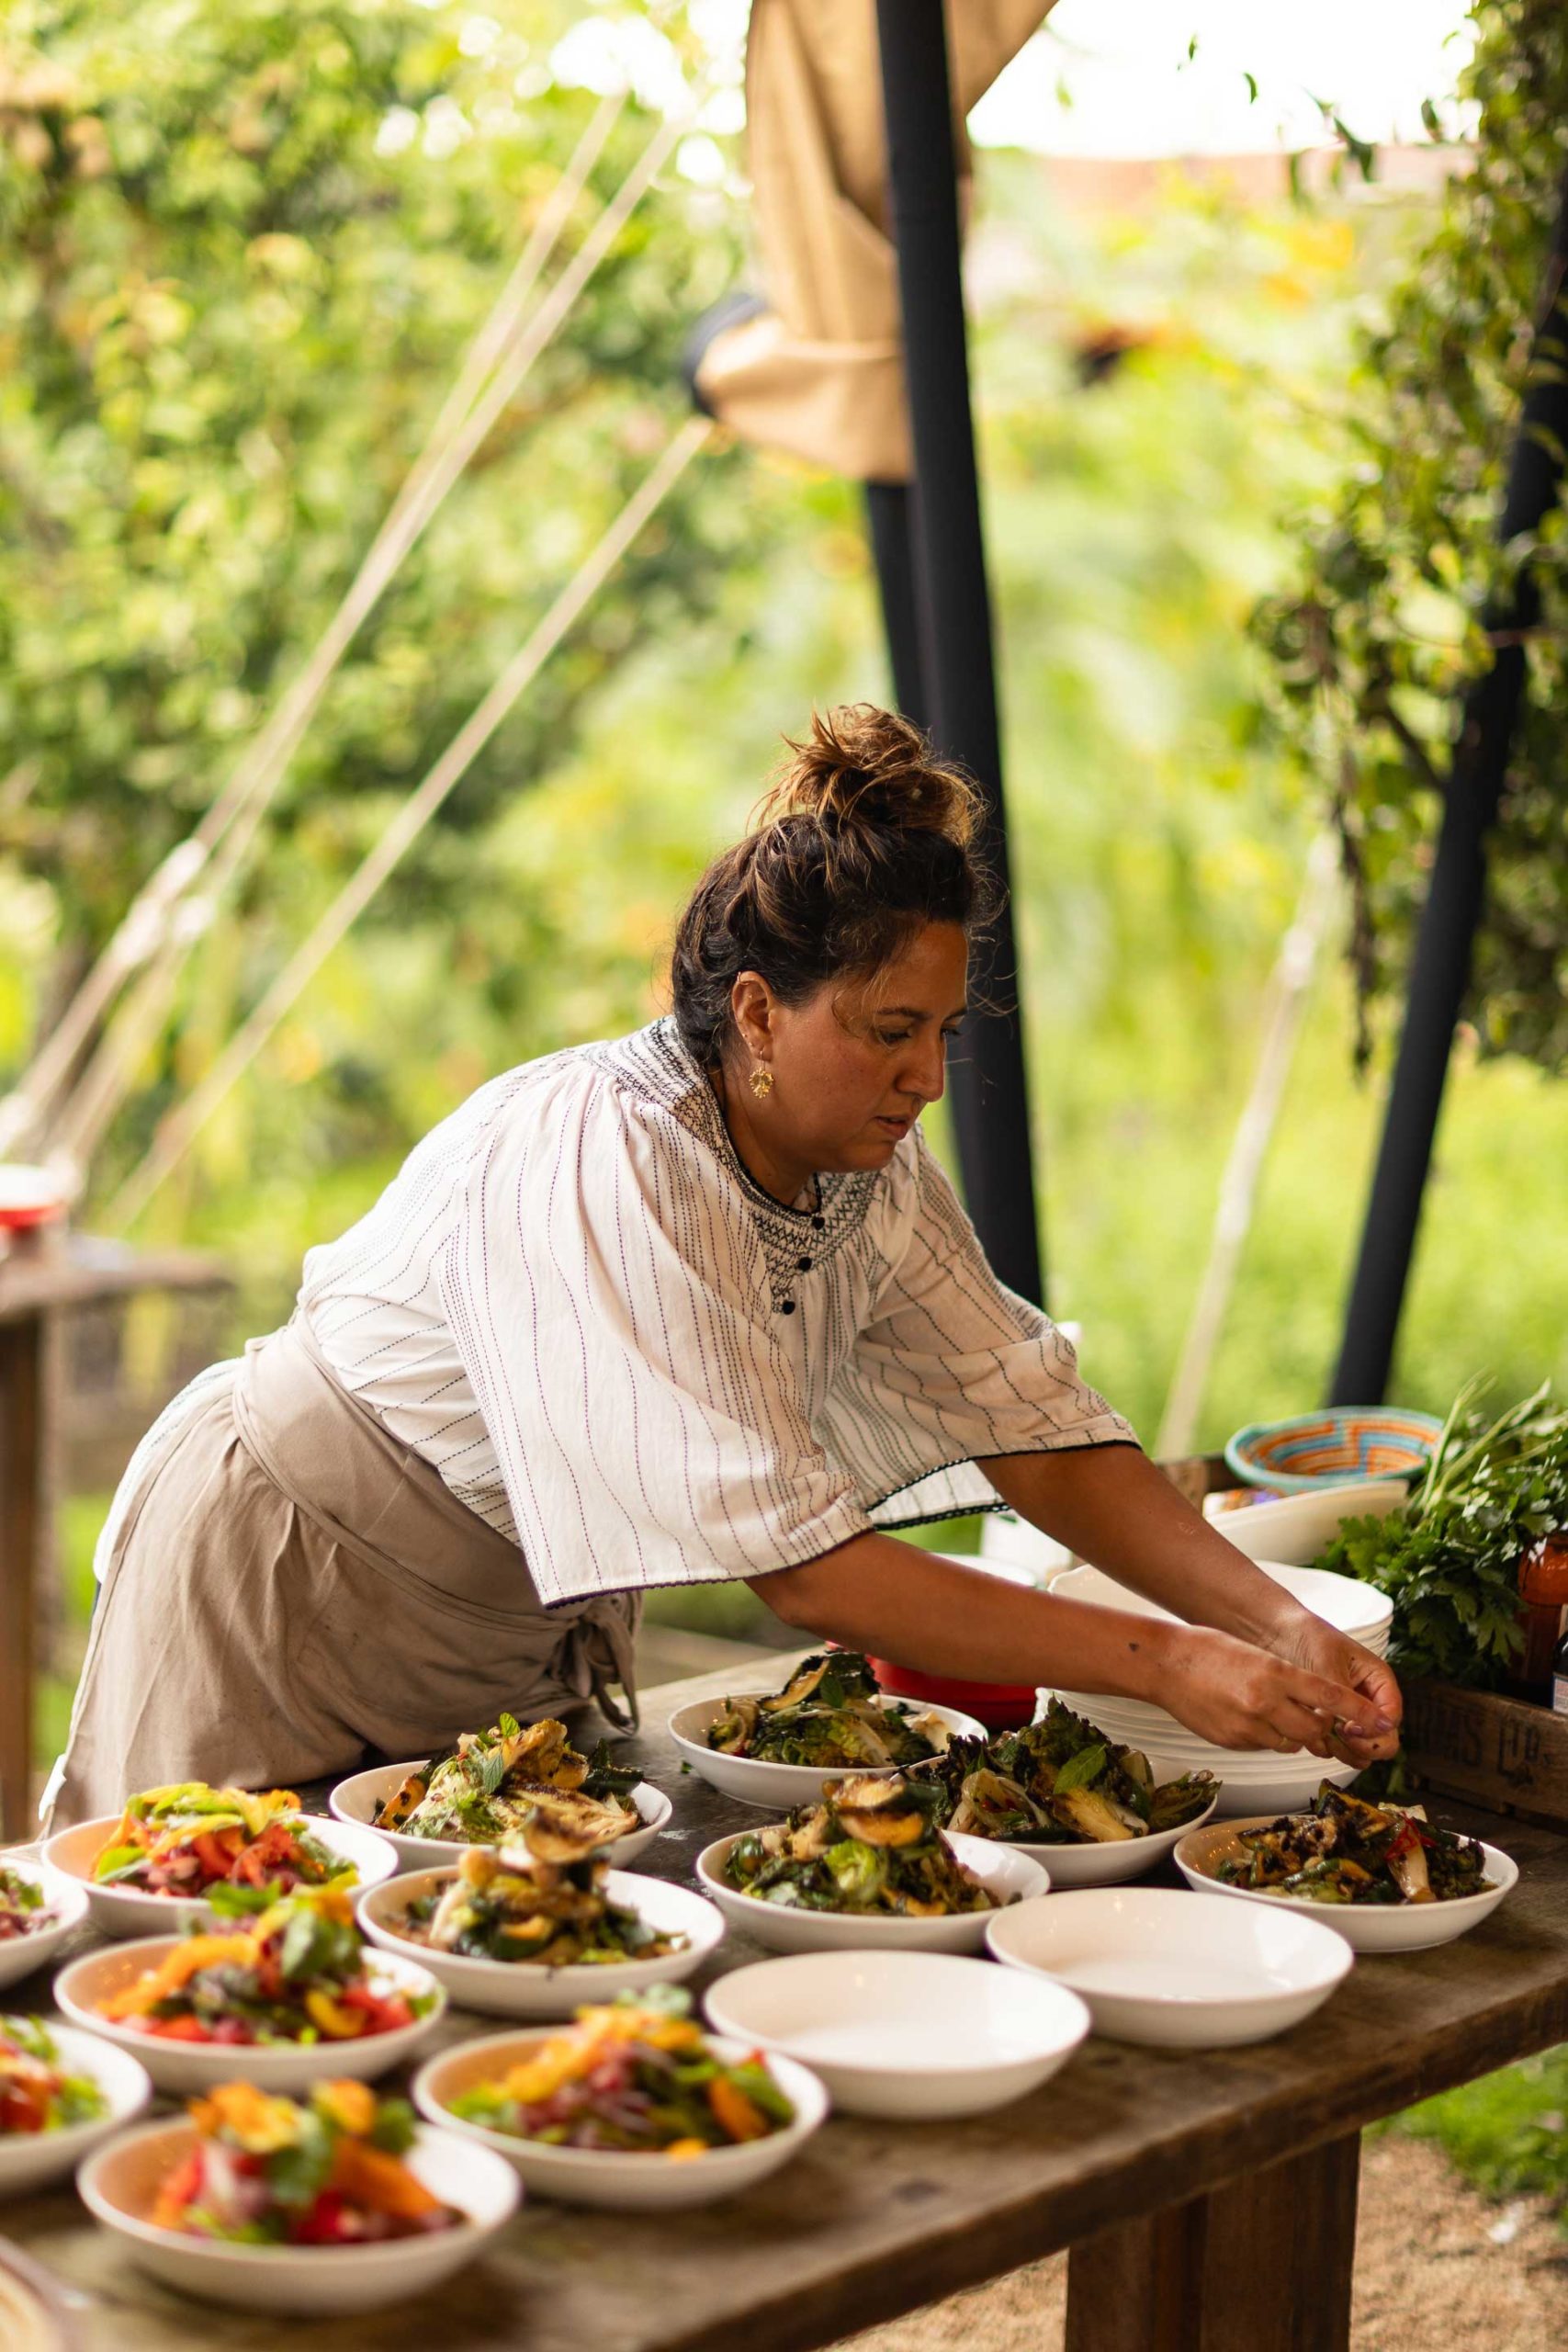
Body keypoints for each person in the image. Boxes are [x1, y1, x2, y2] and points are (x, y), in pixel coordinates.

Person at [48, 705, 1400, 1827]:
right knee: (182, 1966)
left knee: (457, 2023)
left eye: (940, 1033)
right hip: (285, 1580)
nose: (927, 1078)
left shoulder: (869, 1177)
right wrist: (1166, 1662)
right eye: (888, 1032)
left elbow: (1034, 1430)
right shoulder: (608, 1152)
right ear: (758, 1012)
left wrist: (1282, 1629)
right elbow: (801, 1571)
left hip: (507, 1631)